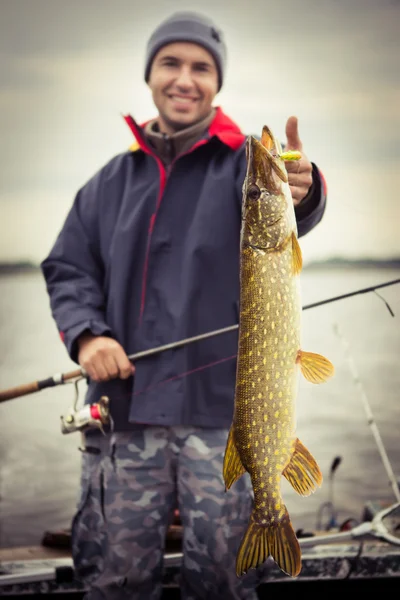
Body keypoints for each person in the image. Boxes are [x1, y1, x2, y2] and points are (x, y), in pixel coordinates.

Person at [41, 10, 327, 600]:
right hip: (123, 419)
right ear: (151, 74)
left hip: (225, 419)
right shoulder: (108, 183)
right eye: (171, 62)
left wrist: (304, 187)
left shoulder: (241, 166)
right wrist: (88, 336)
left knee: (224, 583)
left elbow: (287, 218)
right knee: (114, 582)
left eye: (201, 67)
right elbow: (68, 268)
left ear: (217, 82)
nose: (185, 78)